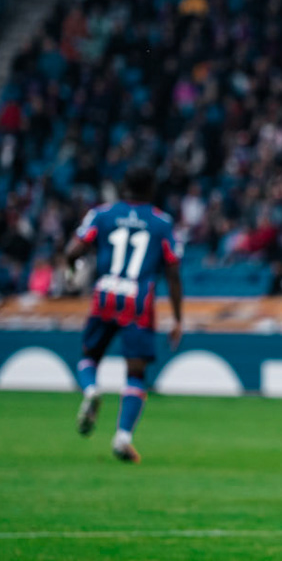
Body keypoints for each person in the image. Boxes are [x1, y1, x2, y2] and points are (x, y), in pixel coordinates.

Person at [65, 165, 183, 463]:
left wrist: (70, 273)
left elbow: (72, 251)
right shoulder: (161, 222)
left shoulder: (101, 214)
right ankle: (122, 438)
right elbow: (172, 273)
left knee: (89, 357)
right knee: (136, 373)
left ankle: (91, 389)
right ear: (151, 190)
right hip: (138, 302)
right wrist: (178, 318)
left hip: (105, 294)